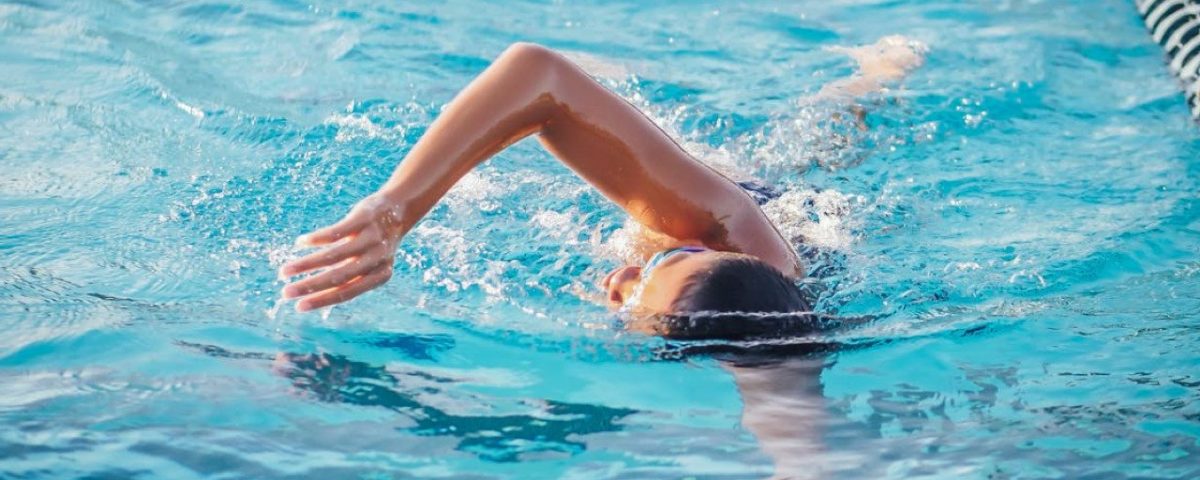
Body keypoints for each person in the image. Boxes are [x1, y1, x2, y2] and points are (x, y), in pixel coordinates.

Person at [278, 39, 926, 338]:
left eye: (631, 303)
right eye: (656, 267)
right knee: (819, 141)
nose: (618, 280)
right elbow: (537, 73)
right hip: (763, 202)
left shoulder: (758, 332)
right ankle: (882, 71)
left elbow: (797, 445)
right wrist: (393, 211)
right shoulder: (716, 220)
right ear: (705, 247)